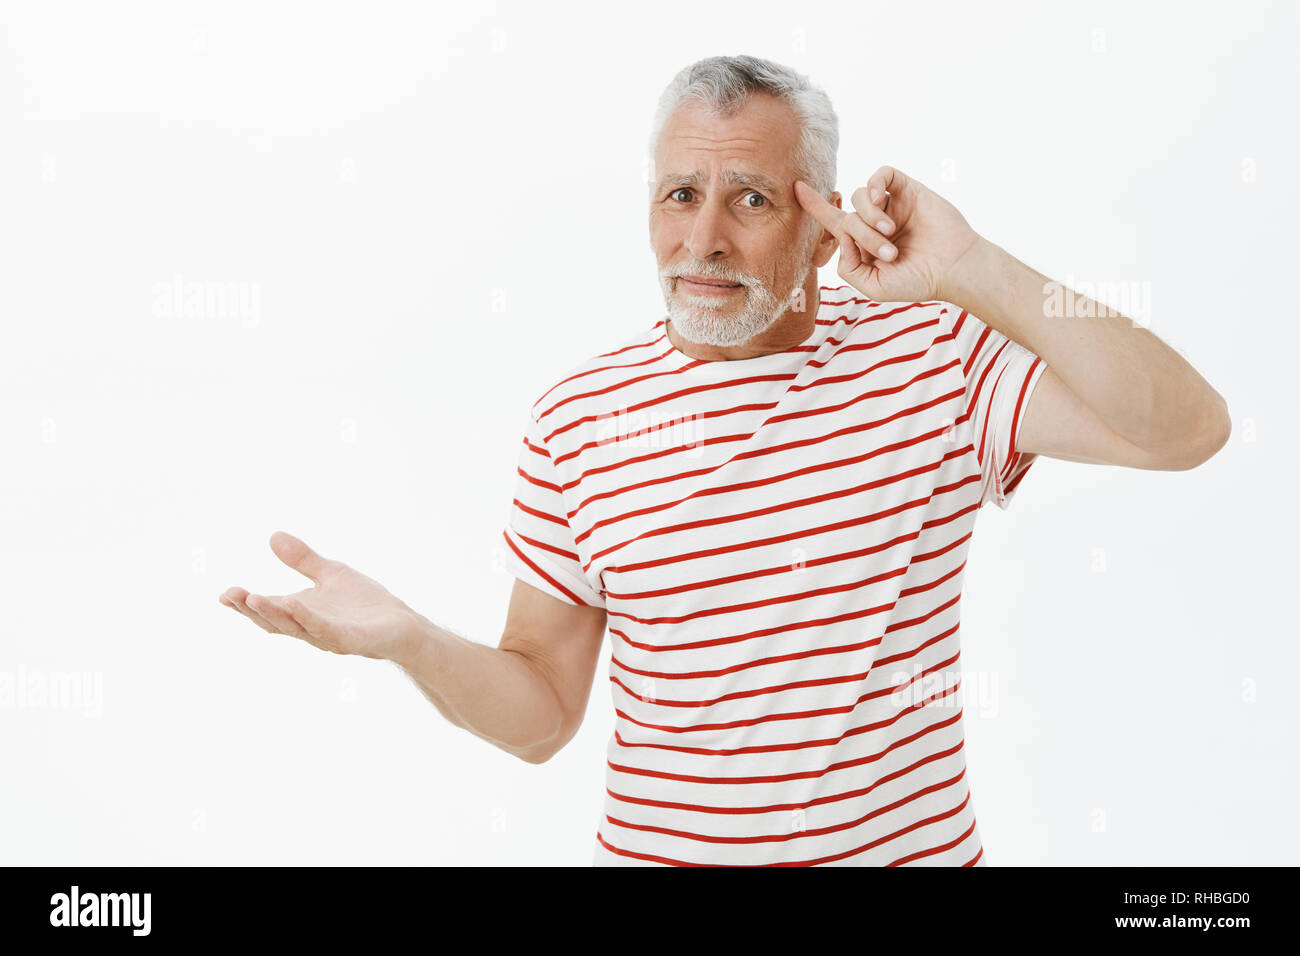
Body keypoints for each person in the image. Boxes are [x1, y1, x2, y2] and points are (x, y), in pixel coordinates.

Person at [219, 55, 1230, 866]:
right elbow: (541, 717)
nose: (700, 239)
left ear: (824, 220)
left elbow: (1183, 427)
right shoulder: (578, 418)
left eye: (750, 199)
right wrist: (410, 640)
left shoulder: (934, 356)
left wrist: (971, 269)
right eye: (679, 193)